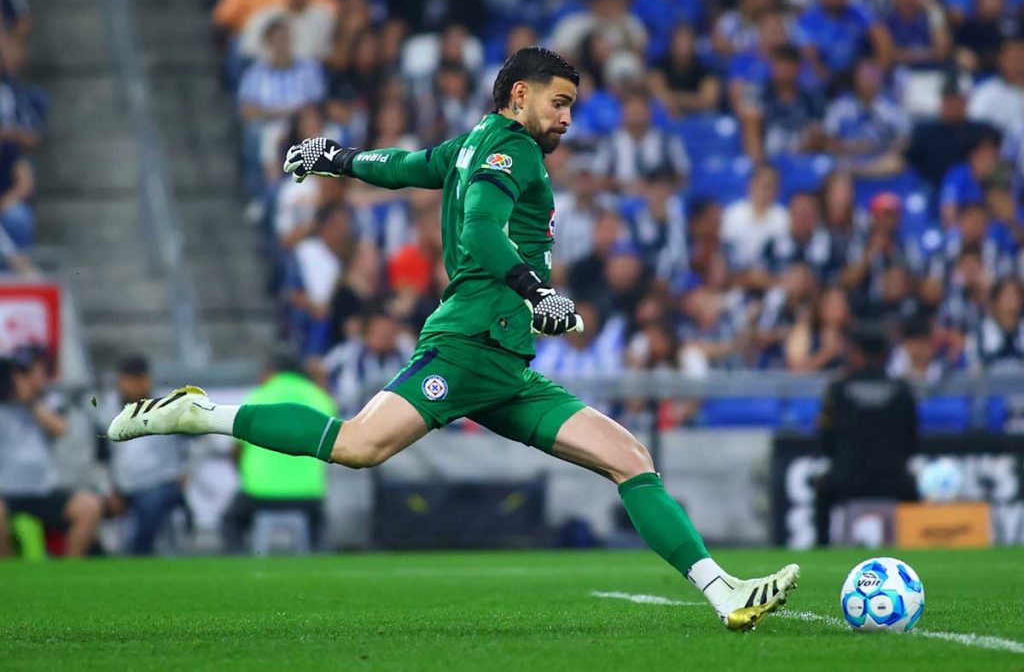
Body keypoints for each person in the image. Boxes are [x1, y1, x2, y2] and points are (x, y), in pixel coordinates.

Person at [109, 46, 798, 630]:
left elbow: (405, 167)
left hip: (509, 366)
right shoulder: (517, 151)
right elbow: (478, 233)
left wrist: (337, 158)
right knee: (356, 445)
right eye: (559, 102)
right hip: (469, 346)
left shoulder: (471, 144)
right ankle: (200, 413)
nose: (565, 117)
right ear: (521, 94)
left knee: (628, 455)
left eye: (571, 107)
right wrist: (537, 293)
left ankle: (723, 593)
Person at [221, 350, 336, 552]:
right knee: (319, 522)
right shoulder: (320, 398)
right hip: (308, 494)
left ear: (271, 372)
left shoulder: (258, 396)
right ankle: (318, 556)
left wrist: (245, 472)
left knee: (230, 521)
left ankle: (237, 561)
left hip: (260, 493)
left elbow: (236, 448)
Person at [814, 326, 918, 546]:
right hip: (895, 481)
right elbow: (913, 440)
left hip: (847, 480)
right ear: (884, 355)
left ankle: (821, 548)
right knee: (914, 492)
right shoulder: (903, 390)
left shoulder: (837, 389)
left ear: (856, 353)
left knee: (822, 493)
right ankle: (916, 547)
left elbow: (826, 440)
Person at [0, 346, 102, 557]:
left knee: (89, 507)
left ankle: (70, 570)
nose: (25, 378)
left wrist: (29, 402)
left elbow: (59, 428)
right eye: (20, 373)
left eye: (30, 371)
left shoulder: (48, 402)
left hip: (43, 489)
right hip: (6, 490)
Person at [100, 355, 190, 555]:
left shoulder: (168, 407)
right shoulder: (108, 409)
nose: (125, 386)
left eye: (130, 380)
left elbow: (198, 443)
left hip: (162, 482)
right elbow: (103, 455)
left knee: (151, 502)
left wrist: (185, 472)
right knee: (91, 505)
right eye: (122, 381)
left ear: (144, 380)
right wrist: (109, 489)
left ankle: (138, 553)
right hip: (122, 487)